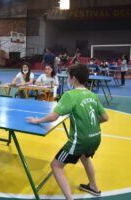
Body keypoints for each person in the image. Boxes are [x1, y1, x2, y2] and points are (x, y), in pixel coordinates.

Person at [27, 64, 109, 200]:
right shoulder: (92, 95)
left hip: (80, 141)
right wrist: (90, 124)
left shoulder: (70, 95)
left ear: (74, 78)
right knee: (85, 157)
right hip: (95, 138)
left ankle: (69, 198)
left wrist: (37, 121)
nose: (68, 78)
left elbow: (53, 116)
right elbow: (105, 117)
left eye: (69, 76)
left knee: (56, 166)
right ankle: (94, 187)